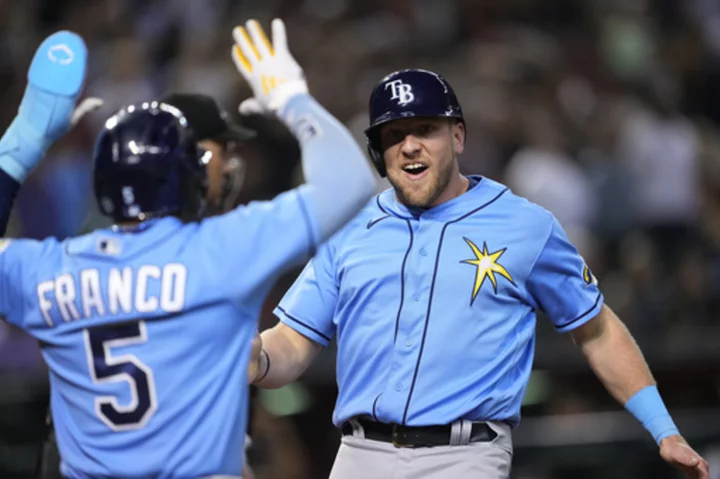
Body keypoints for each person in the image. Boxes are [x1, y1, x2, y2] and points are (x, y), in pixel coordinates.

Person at [250, 68, 710, 479]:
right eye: (394, 134)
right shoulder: (349, 229)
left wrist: (663, 429)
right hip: (357, 455)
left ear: (458, 137)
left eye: (425, 129)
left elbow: (597, 330)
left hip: (464, 458)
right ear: (379, 150)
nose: (409, 144)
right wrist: (253, 358)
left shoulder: (525, 226)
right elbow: (291, 341)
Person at [0, 20, 376, 479]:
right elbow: (349, 182)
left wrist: (26, 138)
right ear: (190, 178)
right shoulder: (221, 250)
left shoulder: (49, 268)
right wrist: (291, 98)